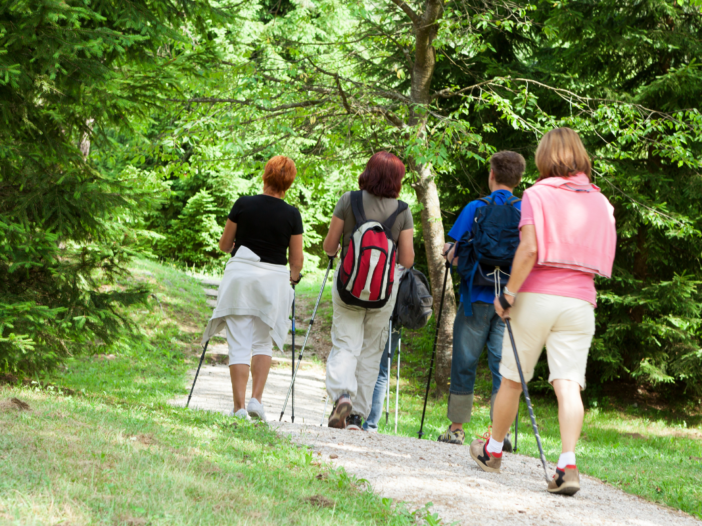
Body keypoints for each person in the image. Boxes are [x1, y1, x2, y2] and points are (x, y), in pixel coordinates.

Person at [469, 128, 616, 496]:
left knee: (513, 379)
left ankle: (493, 450)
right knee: (569, 384)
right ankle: (567, 465)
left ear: (544, 157)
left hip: (537, 295)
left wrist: (508, 294)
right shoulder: (601, 201)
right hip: (581, 300)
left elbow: (530, 248)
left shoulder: (537, 194)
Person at [201, 155, 304, 421]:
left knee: (238, 344)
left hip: (241, 280)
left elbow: (225, 245)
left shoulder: (243, 204)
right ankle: (256, 400)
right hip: (273, 283)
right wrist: (294, 278)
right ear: (289, 183)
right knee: (262, 343)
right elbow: (296, 260)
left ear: (265, 175)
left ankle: (239, 409)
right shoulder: (293, 214)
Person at [437, 151, 525, 446]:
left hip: (475, 296)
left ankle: (457, 428)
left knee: (465, 360)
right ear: (519, 179)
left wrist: (449, 252)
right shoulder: (526, 212)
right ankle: (501, 433)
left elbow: (456, 255)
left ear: (491, 175)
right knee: (504, 366)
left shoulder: (475, 208)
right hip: (510, 302)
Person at [323, 151, 415, 430]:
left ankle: (341, 396)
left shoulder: (348, 200)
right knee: (371, 352)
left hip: (348, 288)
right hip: (382, 294)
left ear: (368, 172)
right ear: (397, 180)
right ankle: (356, 416)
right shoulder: (403, 210)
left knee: (345, 344)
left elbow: (329, 246)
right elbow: (407, 260)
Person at [362, 324, 401, 432]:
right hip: (395, 321)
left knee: (361, 365)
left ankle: (351, 418)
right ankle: (370, 425)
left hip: (375, 315)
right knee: (382, 373)